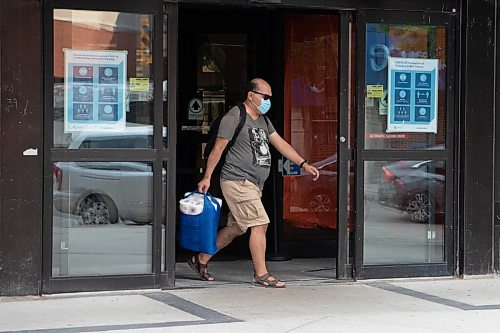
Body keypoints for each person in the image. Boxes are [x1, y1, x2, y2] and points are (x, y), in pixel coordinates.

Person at [192, 78, 320, 288]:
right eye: (265, 96)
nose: (268, 101)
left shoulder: (263, 120)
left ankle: (200, 259)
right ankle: (261, 274)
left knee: (237, 228)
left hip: (253, 184)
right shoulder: (235, 116)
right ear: (251, 95)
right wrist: (207, 177)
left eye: (269, 97)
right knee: (260, 223)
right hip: (237, 180)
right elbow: (218, 149)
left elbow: (280, 143)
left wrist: (303, 163)